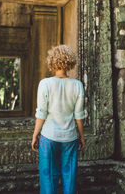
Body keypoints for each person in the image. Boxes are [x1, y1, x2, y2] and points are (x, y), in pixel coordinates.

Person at [31, 44, 85, 193]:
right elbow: (79, 116)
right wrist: (81, 136)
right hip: (70, 137)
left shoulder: (45, 84)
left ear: (52, 62)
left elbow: (41, 113)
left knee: (48, 178)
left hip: (49, 137)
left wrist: (36, 134)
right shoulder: (77, 85)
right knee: (70, 178)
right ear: (70, 62)